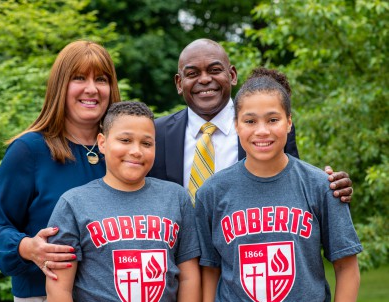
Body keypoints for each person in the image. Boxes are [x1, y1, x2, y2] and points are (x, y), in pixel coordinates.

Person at [195, 68, 362, 302]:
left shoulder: (321, 185)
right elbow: (210, 271)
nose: (262, 131)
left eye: (272, 119)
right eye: (250, 121)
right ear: (236, 124)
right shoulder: (212, 192)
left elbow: (347, 266)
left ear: (289, 122)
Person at [0, 40, 121, 302]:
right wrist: (27, 247)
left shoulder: (125, 151)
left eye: (101, 79)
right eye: (79, 78)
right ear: (60, 86)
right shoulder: (29, 150)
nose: (92, 89)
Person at [46, 101, 201, 302]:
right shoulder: (73, 203)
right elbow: (59, 288)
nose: (136, 151)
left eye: (147, 143)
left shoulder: (176, 197)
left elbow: (189, 277)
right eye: (125, 140)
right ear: (102, 143)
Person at [149, 38, 353, 202]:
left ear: (232, 75)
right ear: (178, 83)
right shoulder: (156, 133)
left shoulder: (270, 130)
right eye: (192, 73)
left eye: (214, 70)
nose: (204, 79)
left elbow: (294, 187)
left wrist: (331, 189)